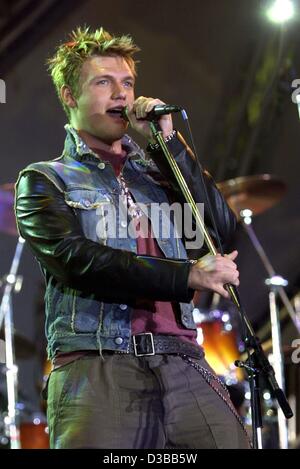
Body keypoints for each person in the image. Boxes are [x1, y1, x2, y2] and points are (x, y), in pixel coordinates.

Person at [15, 26, 251, 449]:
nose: (120, 94)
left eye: (127, 83)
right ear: (69, 96)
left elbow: (221, 229)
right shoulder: (45, 180)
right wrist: (186, 277)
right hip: (97, 364)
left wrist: (169, 144)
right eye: (103, 82)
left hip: (182, 359)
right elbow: (77, 260)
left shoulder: (160, 174)